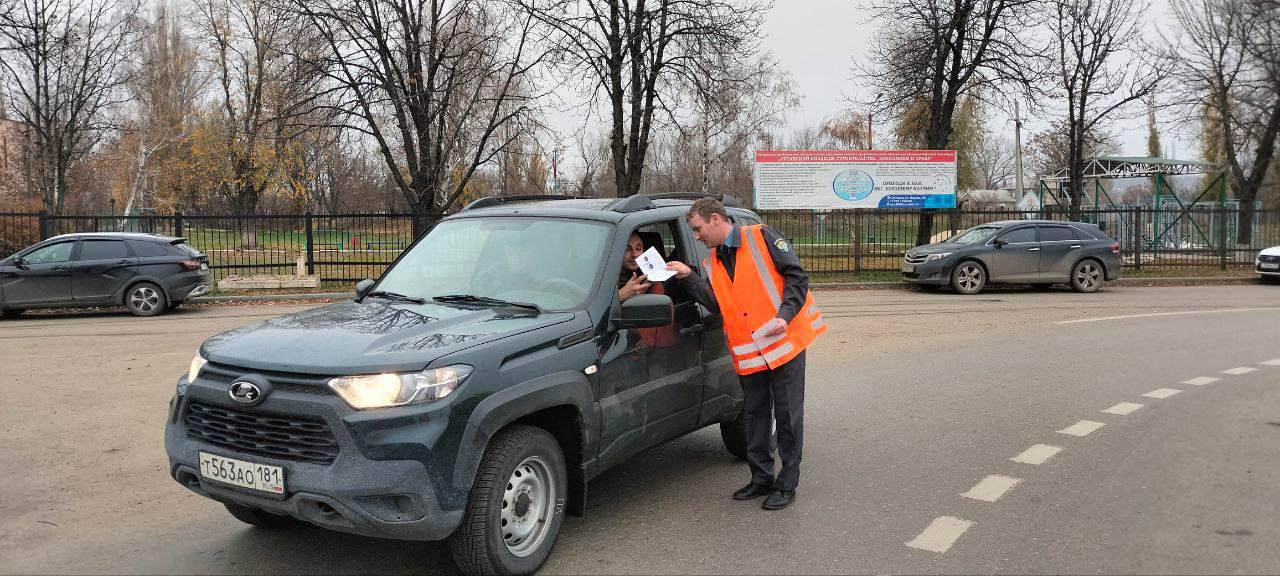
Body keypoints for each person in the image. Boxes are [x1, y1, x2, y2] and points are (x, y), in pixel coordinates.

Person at [666, 198, 825, 511]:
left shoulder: (762, 236)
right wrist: (689, 277)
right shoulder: (712, 262)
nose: (696, 237)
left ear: (715, 219)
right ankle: (761, 477)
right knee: (755, 415)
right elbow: (717, 303)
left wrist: (785, 315)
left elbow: (797, 277)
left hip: (784, 344)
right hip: (750, 352)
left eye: (698, 229)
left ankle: (787, 484)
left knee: (787, 416)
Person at [618, 232, 675, 348]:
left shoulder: (654, 280)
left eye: (638, 249)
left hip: (648, 351)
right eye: (627, 249)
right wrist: (621, 296)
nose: (634, 254)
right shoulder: (606, 277)